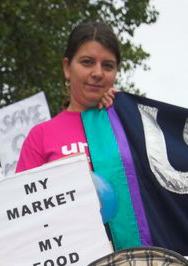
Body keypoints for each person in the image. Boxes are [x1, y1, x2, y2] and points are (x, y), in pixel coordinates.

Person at [16, 21, 120, 173]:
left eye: (108, 65)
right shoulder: (41, 136)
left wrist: (126, 111)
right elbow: (22, 195)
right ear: (67, 68)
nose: (98, 73)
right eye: (87, 62)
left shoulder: (129, 126)